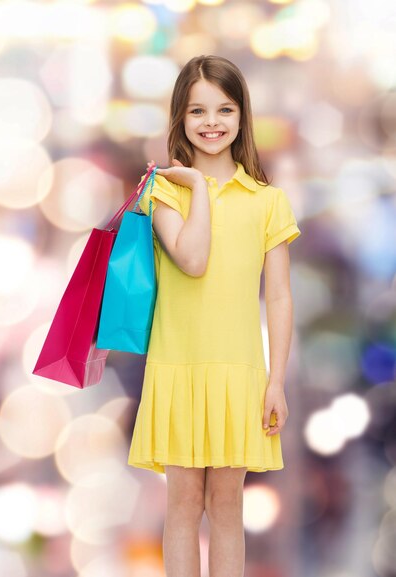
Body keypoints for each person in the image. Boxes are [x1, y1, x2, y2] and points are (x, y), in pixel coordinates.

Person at [126, 54, 301, 577]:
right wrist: (197, 186)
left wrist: (277, 381)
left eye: (224, 109)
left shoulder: (268, 202)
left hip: (239, 368)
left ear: (243, 116)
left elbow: (280, 297)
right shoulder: (161, 191)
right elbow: (193, 259)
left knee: (227, 505)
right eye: (198, 111)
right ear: (180, 118)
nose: (212, 123)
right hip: (178, 364)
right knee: (182, 503)